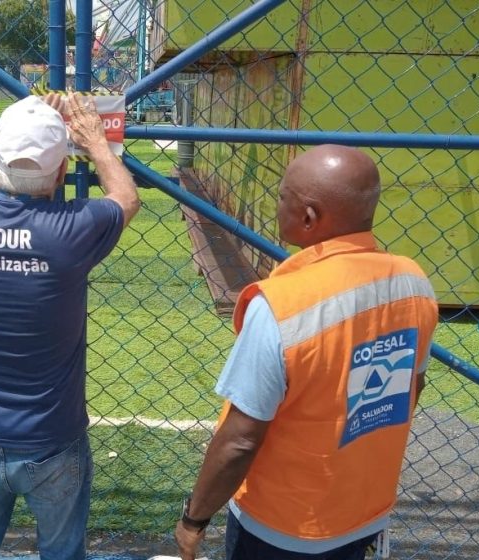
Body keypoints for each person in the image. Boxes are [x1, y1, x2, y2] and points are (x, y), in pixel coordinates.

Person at [175, 144, 438, 560]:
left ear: (309, 217)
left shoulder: (281, 305)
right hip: (364, 509)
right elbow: (409, 389)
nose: (278, 205)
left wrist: (194, 520)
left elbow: (240, 440)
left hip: (284, 525)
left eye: (283, 197)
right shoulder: (414, 282)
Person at [0, 92, 139, 560]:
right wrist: (95, 141)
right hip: (52, 439)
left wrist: (24, 119)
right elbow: (125, 198)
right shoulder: (71, 230)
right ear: (61, 172)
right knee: (62, 551)